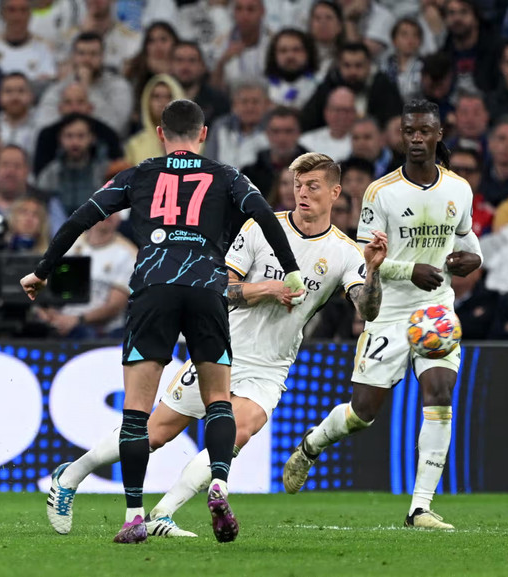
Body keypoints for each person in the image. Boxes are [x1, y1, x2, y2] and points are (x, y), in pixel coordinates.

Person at [45, 152, 386, 537]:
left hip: (269, 367)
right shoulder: (261, 228)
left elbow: (368, 309)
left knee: (237, 434)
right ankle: (69, 476)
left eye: (313, 186)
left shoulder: (343, 252)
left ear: (335, 192)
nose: (302, 193)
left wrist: (372, 271)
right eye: (297, 185)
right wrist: (263, 289)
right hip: (220, 350)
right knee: (154, 434)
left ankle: (163, 512)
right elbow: (218, 287)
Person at [19, 99, 305, 544]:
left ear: (160, 132)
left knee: (137, 413)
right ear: (203, 134)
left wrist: (43, 270)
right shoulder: (226, 175)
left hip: (154, 287)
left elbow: (81, 217)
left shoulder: (140, 174)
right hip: (207, 290)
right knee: (218, 403)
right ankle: (219, 482)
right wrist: (290, 270)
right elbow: (266, 216)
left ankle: (134, 515)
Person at [283, 100, 484, 530]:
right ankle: (312, 445)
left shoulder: (459, 190)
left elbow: (470, 245)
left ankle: (420, 507)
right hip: (390, 313)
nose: (416, 138)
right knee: (362, 412)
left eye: (424, 131)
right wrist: (410, 269)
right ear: (400, 135)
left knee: (440, 394)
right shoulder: (381, 192)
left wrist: (470, 261)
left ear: (438, 135)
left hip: (435, 311)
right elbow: (363, 257)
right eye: (408, 130)